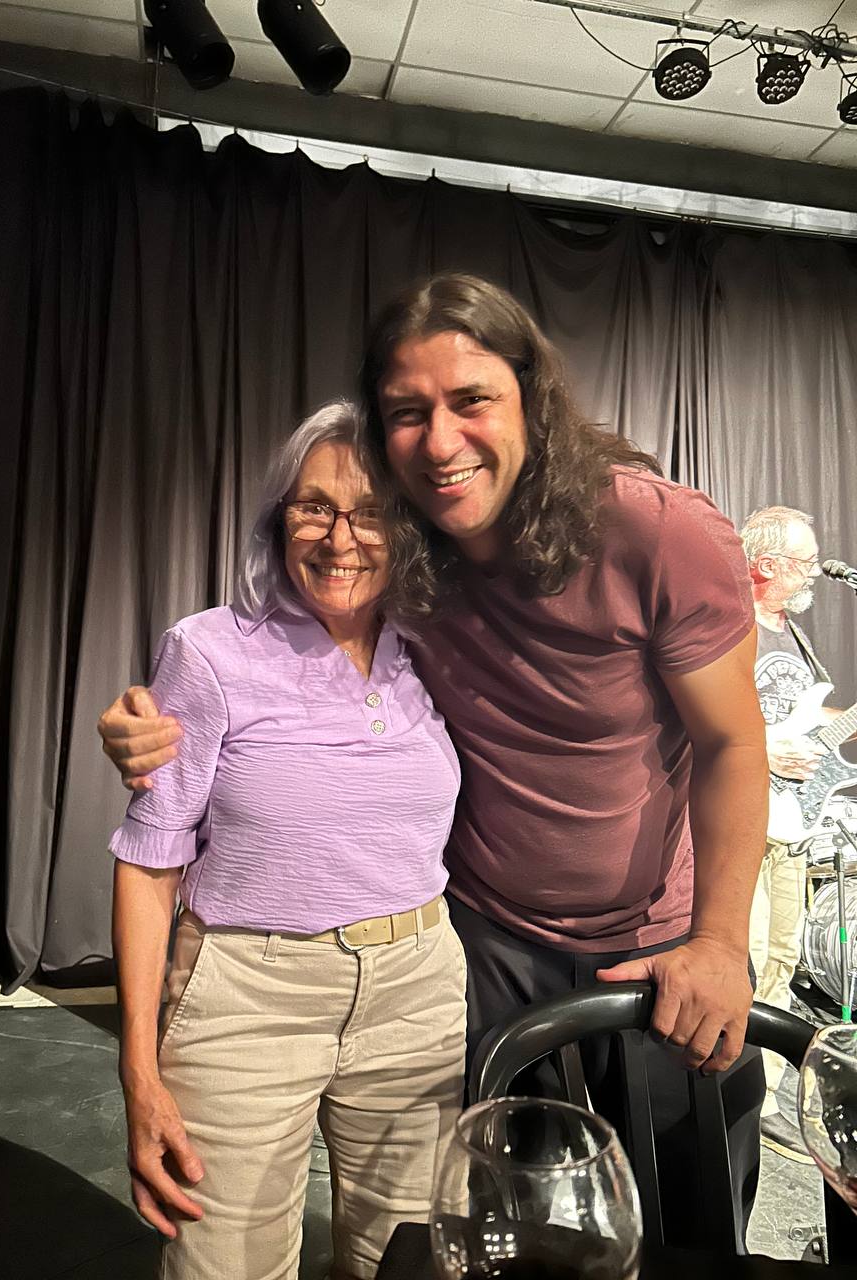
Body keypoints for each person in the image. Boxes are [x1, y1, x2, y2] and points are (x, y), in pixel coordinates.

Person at [100, 274, 770, 1247]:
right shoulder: (404, 570)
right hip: (480, 953)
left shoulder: (652, 532)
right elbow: (210, 744)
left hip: (646, 946)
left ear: (531, 397)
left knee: (681, 1232)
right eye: (409, 412)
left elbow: (733, 742)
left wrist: (717, 939)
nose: (441, 440)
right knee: (501, 1234)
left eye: (471, 400)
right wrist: (145, 724)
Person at [107, 401, 467, 1280]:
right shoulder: (210, 652)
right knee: (225, 1266)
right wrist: (138, 1072)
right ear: (278, 521)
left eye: (372, 512)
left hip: (419, 993)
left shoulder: (434, 646)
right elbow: (149, 862)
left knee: (407, 1262)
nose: (341, 538)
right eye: (314, 507)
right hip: (248, 998)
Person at [740, 506, 839, 1162]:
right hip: (745, 818)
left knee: (781, 959)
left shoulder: (795, 635)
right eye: (802, 562)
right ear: (766, 564)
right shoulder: (730, 624)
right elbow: (692, 718)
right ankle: (736, 1094)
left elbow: (809, 721)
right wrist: (763, 751)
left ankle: (768, 1096)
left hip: (792, 821)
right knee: (746, 961)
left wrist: (840, 723)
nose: (811, 573)